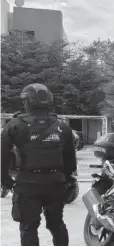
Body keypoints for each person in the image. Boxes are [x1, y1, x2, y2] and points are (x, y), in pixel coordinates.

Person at [1, 83, 76, 246]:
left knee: (28, 227)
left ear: (27, 102)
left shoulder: (15, 125)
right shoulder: (62, 127)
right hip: (55, 182)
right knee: (57, 224)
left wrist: (5, 180)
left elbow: (3, 155)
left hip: (27, 183)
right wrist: (68, 178)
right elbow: (70, 159)